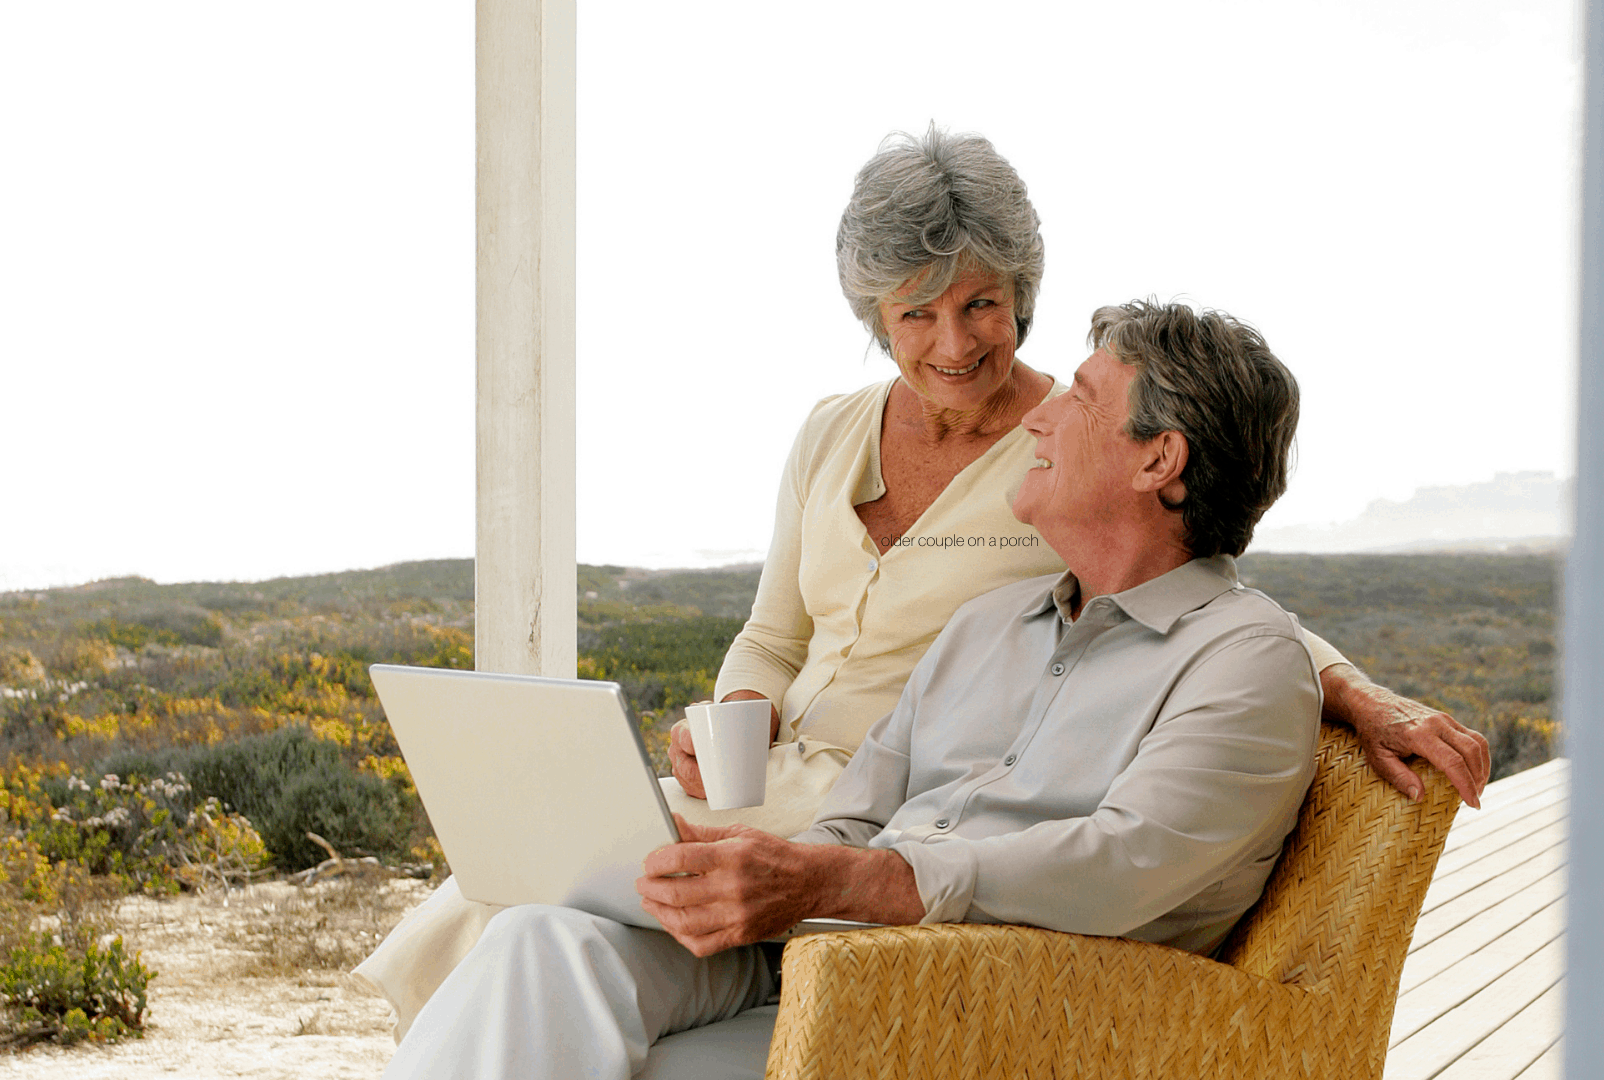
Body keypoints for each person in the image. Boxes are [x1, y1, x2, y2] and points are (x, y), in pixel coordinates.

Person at [353, 125, 1491, 1036]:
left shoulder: (1078, 469)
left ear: (1022, 294)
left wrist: (1351, 688)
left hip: (883, 855)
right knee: (521, 909)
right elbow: (770, 633)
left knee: (557, 916)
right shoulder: (862, 466)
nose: (956, 340)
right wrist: (743, 718)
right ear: (875, 316)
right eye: (918, 312)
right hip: (807, 797)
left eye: (982, 302)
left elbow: (1212, 604)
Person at [384, 300, 1327, 1079]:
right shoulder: (987, 630)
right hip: (826, 951)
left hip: (983, 1015)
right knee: (537, 945)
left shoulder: (1245, 662)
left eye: (1077, 400)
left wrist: (839, 880)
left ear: (1159, 460)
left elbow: (1123, 867)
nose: (1038, 417)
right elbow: (854, 823)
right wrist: (739, 861)